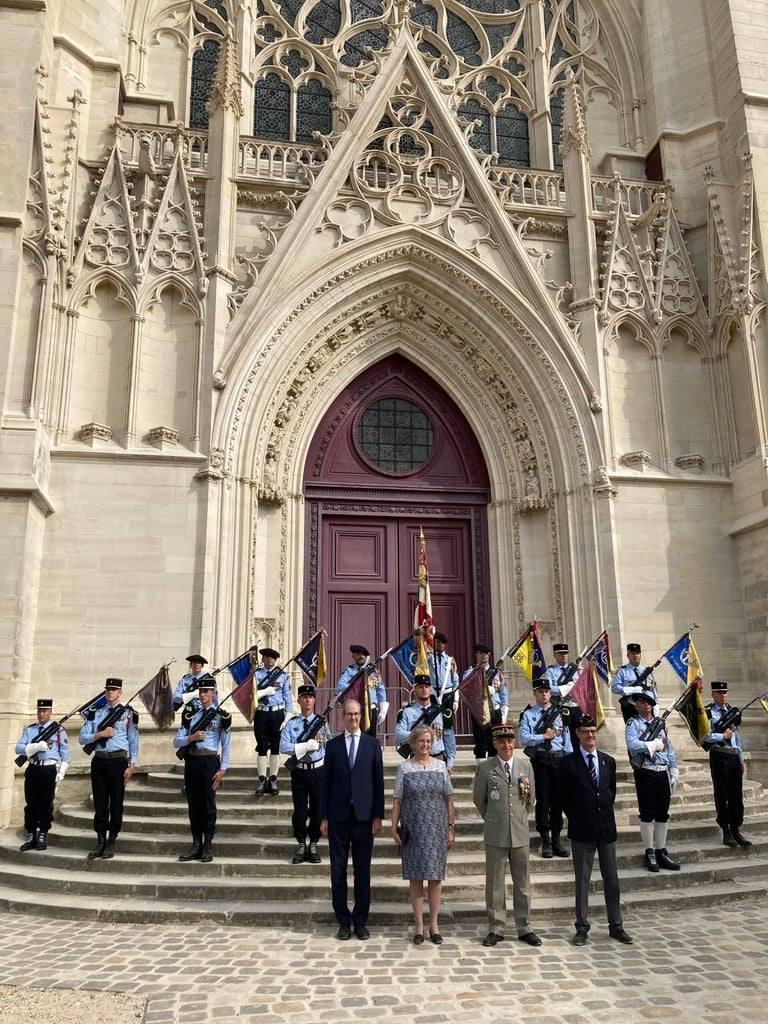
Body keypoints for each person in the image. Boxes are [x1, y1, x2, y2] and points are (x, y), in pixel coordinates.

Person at [560, 715, 633, 945]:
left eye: (593, 731)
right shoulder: (568, 763)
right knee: (582, 881)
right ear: (578, 734)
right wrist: (580, 816)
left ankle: (616, 925)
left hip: (605, 828)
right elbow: (563, 798)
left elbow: (610, 792)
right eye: (585, 731)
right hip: (582, 829)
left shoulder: (608, 761)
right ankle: (581, 926)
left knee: (612, 879)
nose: (590, 735)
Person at [319, 699, 385, 941]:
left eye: (357, 714)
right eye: (349, 714)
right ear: (342, 717)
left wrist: (378, 815)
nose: (353, 718)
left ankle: (360, 920)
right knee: (337, 872)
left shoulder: (372, 744)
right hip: (337, 818)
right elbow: (325, 784)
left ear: (362, 715)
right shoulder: (333, 746)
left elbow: (378, 782)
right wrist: (323, 816)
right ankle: (343, 921)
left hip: (364, 818)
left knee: (362, 871)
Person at [473, 721, 541, 947]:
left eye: (510, 740)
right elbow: (479, 799)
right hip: (496, 832)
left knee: (522, 883)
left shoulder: (525, 766)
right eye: (501, 741)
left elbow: (530, 799)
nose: (506, 745)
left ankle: (524, 926)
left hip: (520, 831)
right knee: (495, 883)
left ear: (515, 742)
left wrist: (518, 817)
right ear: (494, 743)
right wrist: (494, 818)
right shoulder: (486, 768)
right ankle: (496, 927)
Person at [391, 724, 455, 944]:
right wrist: (393, 828)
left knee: (436, 877)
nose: (425, 745)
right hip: (414, 829)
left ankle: (434, 924)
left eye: (428, 741)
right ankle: (419, 925)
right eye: (421, 741)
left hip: (436, 829)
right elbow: (397, 800)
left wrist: (450, 828)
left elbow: (449, 798)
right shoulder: (405, 768)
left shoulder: (440, 766)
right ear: (414, 743)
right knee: (416, 877)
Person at [78, 678, 139, 861]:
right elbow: (82, 738)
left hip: (118, 761)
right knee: (100, 803)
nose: (111, 693)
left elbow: (133, 740)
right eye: (108, 690)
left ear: (120, 693)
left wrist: (132, 765)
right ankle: (100, 841)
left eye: (114, 690)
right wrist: (100, 734)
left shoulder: (128, 714)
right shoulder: (95, 713)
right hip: (100, 761)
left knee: (116, 803)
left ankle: (111, 841)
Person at [173, 674, 231, 863]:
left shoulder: (221, 716)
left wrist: (222, 770)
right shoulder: (191, 716)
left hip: (209, 762)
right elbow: (177, 741)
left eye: (206, 691)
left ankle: (207, 844)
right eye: (200, 691)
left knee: (207, 805)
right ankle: (196, 844)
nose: (203, 695)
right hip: (192, 761)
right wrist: (191, 738)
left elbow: (226, 744)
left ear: (213, 693)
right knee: (193, 805)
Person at [625, 690, 681, 872]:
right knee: (647, 813)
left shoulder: (660, 725)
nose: (646, 705)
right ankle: (649, 850)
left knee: (663, 813)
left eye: (649, 702)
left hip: (662, 771)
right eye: (642, 702)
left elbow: (669, 748)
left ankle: (661, 850)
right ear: (637, 705)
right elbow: (632, 746)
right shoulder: (633, 724)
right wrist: (653, 745)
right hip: (646, 771)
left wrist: (673, 769)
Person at [518, 679, 572, 858]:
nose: (544, 695)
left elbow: (567, 738)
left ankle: (557, 839)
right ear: (535, 694)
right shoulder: (529, 714)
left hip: (558, 759)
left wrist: (570, 759)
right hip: (540, 760)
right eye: (540, 692)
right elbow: (524, 738)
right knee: (542, 800)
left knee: (558, 801)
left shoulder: (558, 713)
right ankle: (545, 840)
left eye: (547, 692)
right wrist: (543, 736)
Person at [279, 683, 332, 864]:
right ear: (299, 700)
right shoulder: (292, 723)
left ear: (314, 700)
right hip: (300, 772)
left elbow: (329, 745)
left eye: (310, 697)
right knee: (300, 810)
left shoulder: (321, 723)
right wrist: (304, 746)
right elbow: (283, 746)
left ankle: (314, 844)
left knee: (317, 809)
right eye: (304, 697)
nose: (307, 700)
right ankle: (301, 843)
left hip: (318, 770)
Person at [14, 698, 70, 851]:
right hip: (33, 769)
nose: (41, 714)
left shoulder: (58, 730)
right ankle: (31, 834)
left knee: (46, 804)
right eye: (39, 711)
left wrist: (61, 772)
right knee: (31, 804)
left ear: (50, 712)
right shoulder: (31, 729)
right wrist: (34, 747)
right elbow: (18, 748)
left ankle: (43, 834)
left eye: (44, 711)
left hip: (49, 770)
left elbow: (65, 755)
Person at [703, 680, 751, 848]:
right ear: (713, 694)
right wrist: (722, 737)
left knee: (736, 795)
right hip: (719, 755)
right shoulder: (708, 712)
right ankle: (725, 830)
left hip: (733, 757)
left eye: (725, 693)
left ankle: (736, 828)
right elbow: (704, 736)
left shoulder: (732, 712)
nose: (723, 695)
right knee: (722, 794)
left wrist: (741, 759)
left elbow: (737, 738)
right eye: (719, 693)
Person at [253, 647, 293, 797]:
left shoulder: (282, 676)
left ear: (276, 660)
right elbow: (250, 695)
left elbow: (287, 696)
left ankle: (273, 779)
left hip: (277, 714)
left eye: (272, 657)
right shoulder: (256, 675)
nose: (269, 659)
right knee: (262, 747)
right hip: (261, 713)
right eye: (266, 657)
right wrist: (263, 692)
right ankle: (262, 779)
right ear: (262, 659)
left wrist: (288, 715)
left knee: (275, 747)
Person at [395, 673, 455, 768]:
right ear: (414, 690)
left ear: (430, 689)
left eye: (427, 687)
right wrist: (419, 735)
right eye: (420, 687)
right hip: (416, 759)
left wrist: (450, 763)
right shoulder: (406, 712)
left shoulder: (441, 711)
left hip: (438, 758)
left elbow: (449, 737)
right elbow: (399, 735)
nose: (424, 689)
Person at [463, 643, 507, 767]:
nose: (484, 656)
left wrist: (504, 711)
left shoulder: (496, 673)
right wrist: (484, 689)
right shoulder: (470, 672)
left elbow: (504, 692)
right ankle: (481, 770)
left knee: (495, 741)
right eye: (481, 653)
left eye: (487, 654)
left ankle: (494, 769)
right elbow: (466, 689)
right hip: (480, 711)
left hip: (495, 710)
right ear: (476, 654)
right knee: (481, 742)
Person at [335, 645, 387, 735]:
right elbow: (340, 686)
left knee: (371, 738)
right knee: (356, 736)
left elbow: (380, 689)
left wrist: (383, 709)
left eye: (364, 654)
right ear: (353, 656)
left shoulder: (374, 671)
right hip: (356, 710)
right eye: (358, 654)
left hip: (371, 709)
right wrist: (356, 685)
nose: (361, 656)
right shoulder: (349, 670)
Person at [612, 642, 657, 723]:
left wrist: (656, 703)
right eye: (632, 653)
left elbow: (652, 688)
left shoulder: (647, 671)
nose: (635, 656)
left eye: (637, 653)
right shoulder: (622, 671)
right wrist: (631, 690)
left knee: (649, 732)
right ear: (628, 656)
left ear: (640, 655)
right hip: (631, 706)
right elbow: (614, 688)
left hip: (647, 707)